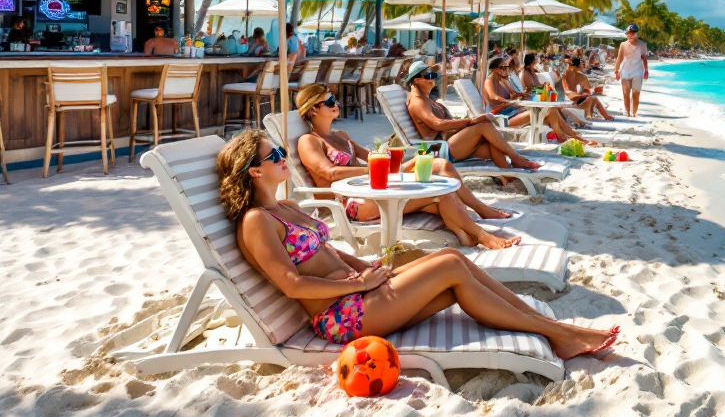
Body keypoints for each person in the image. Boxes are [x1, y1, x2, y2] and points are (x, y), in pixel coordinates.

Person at [218, 129, 619, 354]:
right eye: (275, 157)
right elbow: (291, 283)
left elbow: (329, 250)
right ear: (253, 173)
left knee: (450, 257)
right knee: (447, 265)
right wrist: (356, 284)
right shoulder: (257, 221)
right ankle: (560, 335)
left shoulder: (286, 205)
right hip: (344, 316)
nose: (283, 158)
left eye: (281, 152)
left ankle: (550, 327)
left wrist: (367, 269)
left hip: (362, 294)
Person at [295, 85, 518, 250]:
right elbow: (329, 172)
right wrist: (375, 170)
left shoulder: (341, 136)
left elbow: (374, 156)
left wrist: (390, 159)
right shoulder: (309, 141)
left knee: (438, 165)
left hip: (375, 186)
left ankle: (467, 237)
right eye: (330, 101)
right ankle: (483, 236)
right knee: (442, 196)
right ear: (313, 109)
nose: (337, 104)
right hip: (352, 202)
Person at [405, 61, 541, 174]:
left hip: (449, 143)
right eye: (429, 75)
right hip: (438, 148)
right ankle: (516, 158)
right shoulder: (418, 101)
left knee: (493, 142)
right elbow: (437, 124)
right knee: (484, 126)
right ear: (416, 80)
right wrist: (470, 121)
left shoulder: (425, 98)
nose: (433, 78)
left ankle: (508, 177)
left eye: (434, 74)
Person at [484, 58, 595, 146]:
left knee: (552, 110)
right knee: (536, 112)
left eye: (507, 67)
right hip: (502, 118)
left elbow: (514, 93)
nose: (506, 69)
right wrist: (509, 101)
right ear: (494, 69)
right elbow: (493, 96)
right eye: (503, 67)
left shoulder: (503, 80)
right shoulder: (489, 81)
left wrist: (521, 95)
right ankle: (567, 138)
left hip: (514, 112)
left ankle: (573, 137)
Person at [614, 23, 648, 118]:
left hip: (637, 71)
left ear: (636, 33)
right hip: (625, 71)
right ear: (626, 34)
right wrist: (616, 70)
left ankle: (634, 113)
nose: (631, 34)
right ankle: (627, 112)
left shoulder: (642, 44)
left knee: (636, 92)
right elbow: (619, 58)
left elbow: (644, 58)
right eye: (629, 33)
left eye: (633, 33)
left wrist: (646, 71)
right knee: (626, 92)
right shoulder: (623, 44)